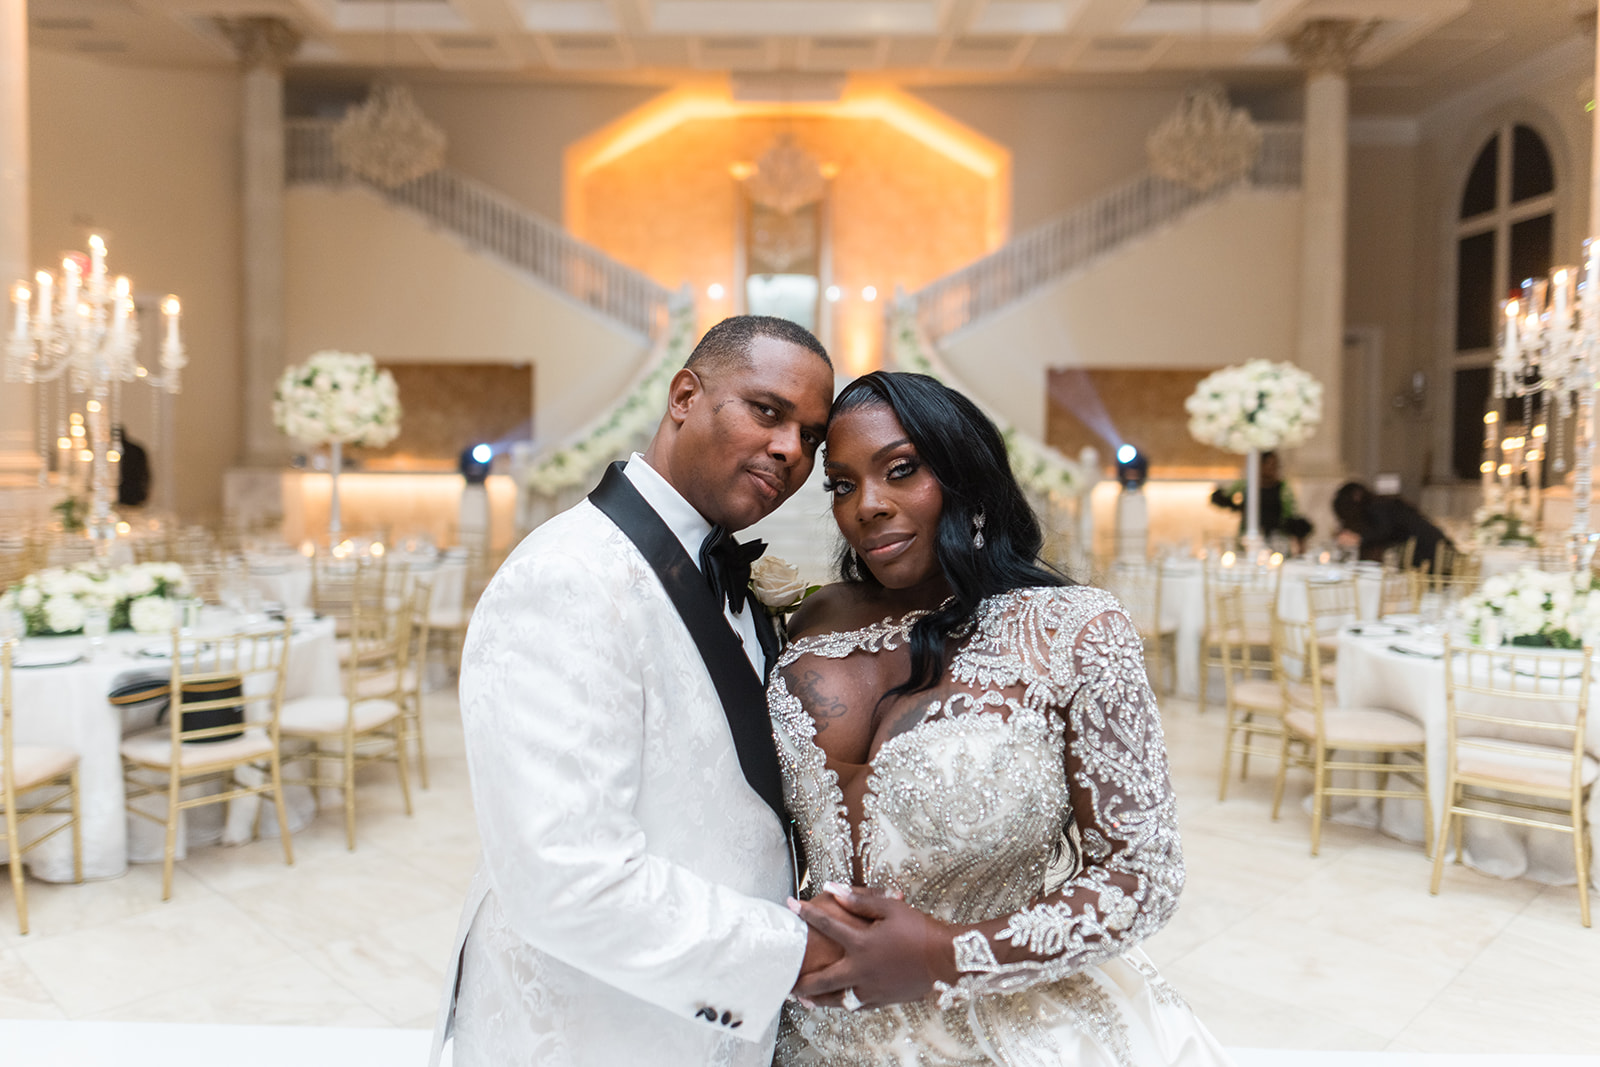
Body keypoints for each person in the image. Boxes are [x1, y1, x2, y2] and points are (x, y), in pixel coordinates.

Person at [771, 371, 1232, 1064]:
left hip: (1001, 1021)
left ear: (966, 477)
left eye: (902, 470)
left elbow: (1143, 874)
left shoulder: (1072, 630)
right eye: (841, 484)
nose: (867, 505)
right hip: (805, 1025)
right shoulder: (809, 618)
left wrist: (942, 953)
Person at [429, 316, 839, 1067]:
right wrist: (799, 952)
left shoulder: (724, 573)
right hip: (589, 1030)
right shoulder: (569, 575)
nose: (791, 451)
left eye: (811, 437)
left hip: (700, 1019)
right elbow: (566, 876)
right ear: (685, 394)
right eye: (768, 411)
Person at [1332, 481, 1453, 570]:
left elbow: (1384, 531)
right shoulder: (1383, 504)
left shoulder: (1378, 507)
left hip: (1428, 550)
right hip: (1429, 548)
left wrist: (1359, 539)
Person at [1208, 450, 1311, 548]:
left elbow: (1291, 514)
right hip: (1248, 536)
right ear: (1260, 465)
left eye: (1275, 464)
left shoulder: (1284, 488)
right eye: (1269, 464)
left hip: (1276, 539)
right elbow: (1224, 497)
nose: (1273, 468)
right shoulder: (1246, 484)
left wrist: (1298, 536)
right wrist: (1237, 507)